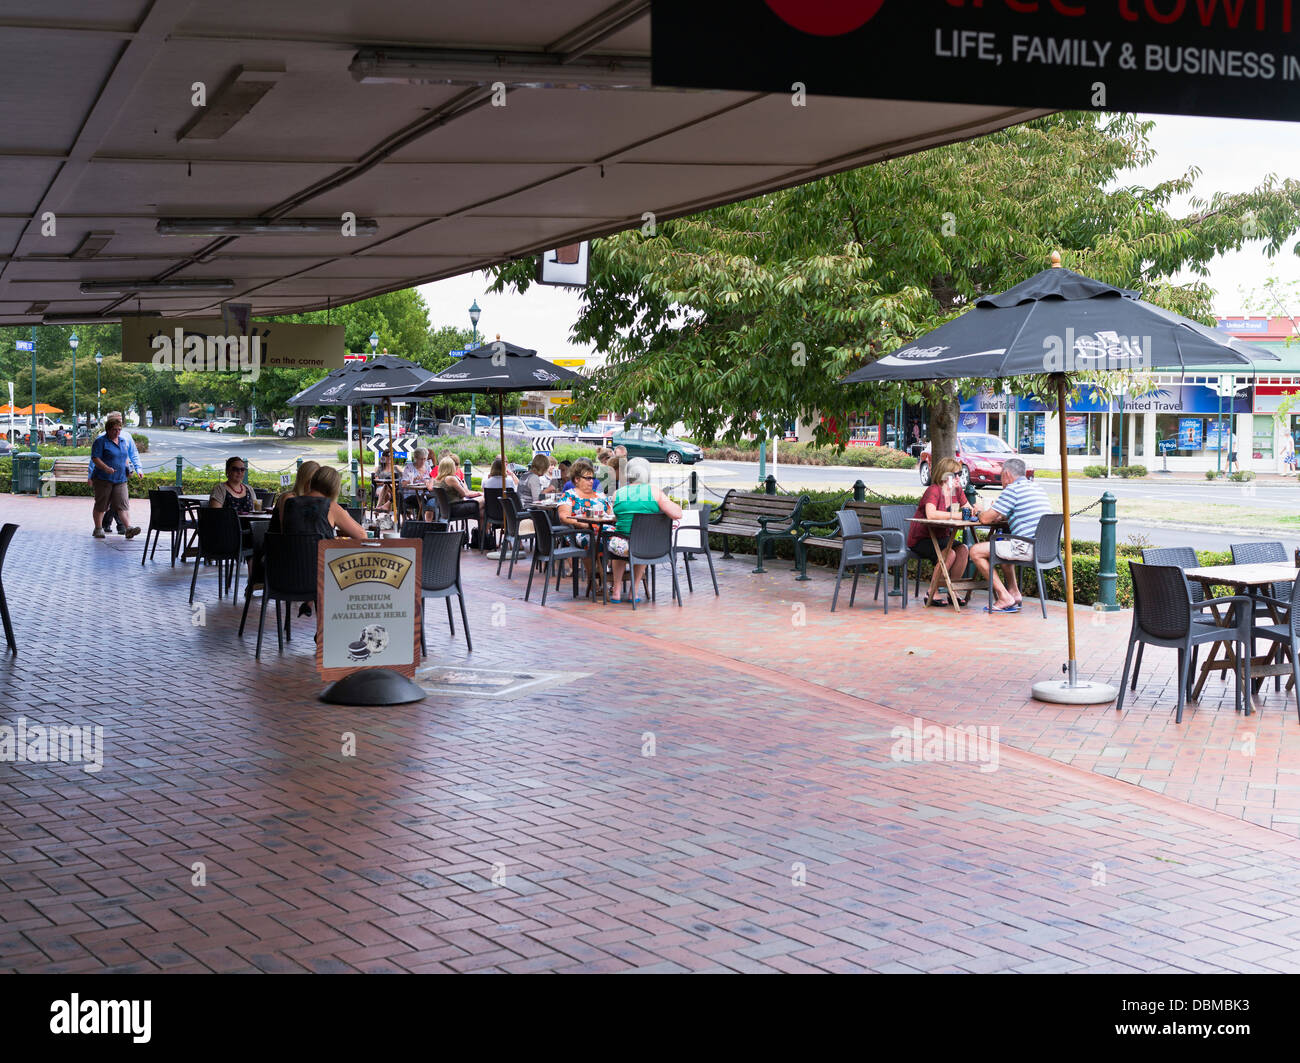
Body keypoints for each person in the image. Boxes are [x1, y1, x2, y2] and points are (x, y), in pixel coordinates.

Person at [969, 457, 1052, 613]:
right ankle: (1014, 593)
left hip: (1026, 547)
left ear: (1006, 474)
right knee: (1004, 545)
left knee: (975, 551)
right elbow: (1020, 513)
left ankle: (1003, 596)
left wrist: (979, 510)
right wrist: (1001, 515)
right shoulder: (1037, 488)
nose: (1001, 480)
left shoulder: (1012, 490)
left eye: (1001, 476)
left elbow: (986, 519)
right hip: (1045, 548)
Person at [604, 457, 682, 603]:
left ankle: (616, 590)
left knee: (619, 540)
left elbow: (616, 516)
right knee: (642, 542)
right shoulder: (655, 492)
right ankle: (634, 591)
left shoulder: (618, 494)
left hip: (622, 547)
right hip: (651, 547)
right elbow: (678, 514)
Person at [906, 457, 970, 607]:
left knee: (963, 550)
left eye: (959, 474)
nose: (959, 477)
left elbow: (968, 507)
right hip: (922, 538)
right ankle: (932, 591)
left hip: (942, 537)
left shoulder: (957, 490)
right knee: (950, 553)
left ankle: (951, 590)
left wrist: (976, 508)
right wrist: (956, 515)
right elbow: (931, 514)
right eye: (956, 474)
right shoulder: (933, 490)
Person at [557, 458, 614, 585]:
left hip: (603, 529)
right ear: (577, 479)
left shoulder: (600, 495)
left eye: (592, 478)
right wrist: (582, 524)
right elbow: (563, 517)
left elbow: (611, 514)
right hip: (579, 531)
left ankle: (611, 578)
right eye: (587, 478)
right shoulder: (569, 495)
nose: (591, 481)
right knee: (591, 539)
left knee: (618, 539)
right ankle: (593, 579)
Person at [279, 465, 367, 540]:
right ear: (334, 488)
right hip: (322, 559)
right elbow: (362, 536)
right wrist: (345, 516)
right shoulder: (331, 507)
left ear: (312, 481)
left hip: (289, 559)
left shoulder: (290, 503)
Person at [88, 411, 141, 534]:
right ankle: (98, 528)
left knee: (122, 505)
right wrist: (105, 468)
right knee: (102, 505)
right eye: (114, 430)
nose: (117, 432)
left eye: (119, 429)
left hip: (121, 479)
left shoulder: (123, 441)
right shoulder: (101, 441)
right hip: (103, 479)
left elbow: (125, 458)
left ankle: (128, 528)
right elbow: (95, 458)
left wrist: (131, 469)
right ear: (108, 430)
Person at [434, 454, 484, 532]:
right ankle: (481, 537)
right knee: (485, 499)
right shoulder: (451, 478)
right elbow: (464, 494)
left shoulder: (437, 479)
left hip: (446, 510)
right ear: (450, 467)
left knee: (483, 513)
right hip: (456, 508)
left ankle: (481, 536)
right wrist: (480, 493)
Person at [269, 460, 321, 533]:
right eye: (312, 480)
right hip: (280, 541)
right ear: (304, 480)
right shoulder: (289, 498)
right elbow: (286, 529)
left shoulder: (313, 499)